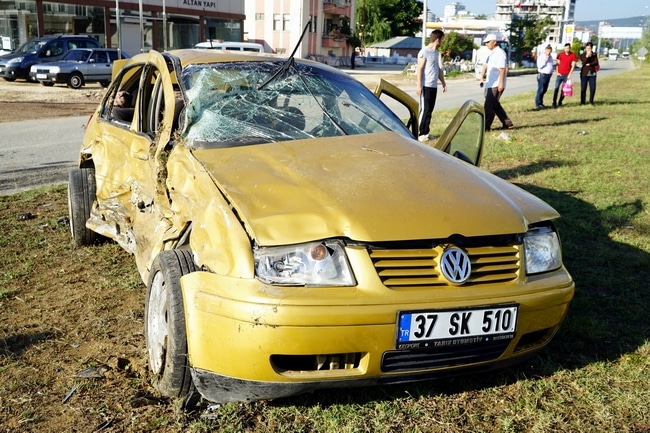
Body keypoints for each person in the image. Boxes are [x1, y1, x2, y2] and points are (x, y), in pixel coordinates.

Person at [415, 29, 447, 142]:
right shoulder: (425, 51)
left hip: (433, 85)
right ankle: (419, 133)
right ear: (437, 39)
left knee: (430, 110)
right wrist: (419, 85)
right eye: (442, 39)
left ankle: (426, 132)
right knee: (425, 109)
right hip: (425, 85)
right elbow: (420, 68)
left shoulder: (436, 53)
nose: (442, 42)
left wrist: (443, 82)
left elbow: (438, 69)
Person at [479, 34, 514, 132]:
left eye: (488, 42)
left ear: (494, 42)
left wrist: (501, 84)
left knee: (489, 107)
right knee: (495, 105)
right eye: (485, 42)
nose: (486, 44)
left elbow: (502, 69)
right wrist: (482, 78)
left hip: (496, 84)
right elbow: (486, 67)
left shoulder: (499, 53)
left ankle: (486, 127)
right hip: (491, 83)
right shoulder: (492, 53)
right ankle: (507, 123)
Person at [552, 43, 577, 108]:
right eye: (565, 48)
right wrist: (557, 72)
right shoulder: (560, 55)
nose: (566, 49)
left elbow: (573, 65)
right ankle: (554, 102)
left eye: (568, 48)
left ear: (570, 48)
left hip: (566, 75)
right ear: (564, 48)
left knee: (564, 90)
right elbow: (557, 64)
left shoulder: (573, 55)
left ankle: (560, 101)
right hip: (559, 74)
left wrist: (570, 74)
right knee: (556, 88)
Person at [535, 44, 554, 109]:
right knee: (541, 89)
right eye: (548, 51)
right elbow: (539, 66)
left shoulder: (551, 57)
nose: (549, 52)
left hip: (548, 75)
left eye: (550, 51)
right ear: (545, 50)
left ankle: (541, 102)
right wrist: (545, 60)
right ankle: (538, 104)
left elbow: (551, 65)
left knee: (544, 90)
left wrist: (551, 72)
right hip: (542, 75)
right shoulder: (541, 57)